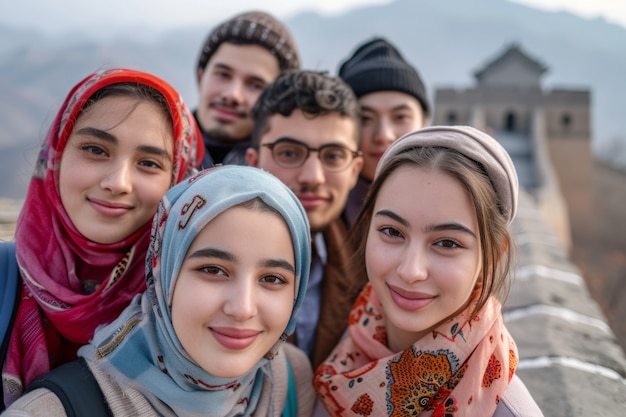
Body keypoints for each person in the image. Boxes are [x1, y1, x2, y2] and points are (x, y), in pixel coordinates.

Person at [3, 165, 315, 417]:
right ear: (164, 275)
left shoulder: (289, 378)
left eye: (272, 279)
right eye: (213, 270)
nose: (243, 307)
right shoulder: (52, 410)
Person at [1, 68, 204, 408]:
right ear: (57, 155)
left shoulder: (188, 305)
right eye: (96, 150)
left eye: (149, 163)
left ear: (178, 179)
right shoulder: (5, 280)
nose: (118, 182)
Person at [313, 126, 544, 416]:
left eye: (446, 242)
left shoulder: (506, 410)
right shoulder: (348, 350)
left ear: (493, 254)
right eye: (392, 231)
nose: (411, 271)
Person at [246, 70, 366, 369]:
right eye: (289, 152)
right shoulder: (199, 262)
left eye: (334, 156)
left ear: (355, 170)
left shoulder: (374, 274)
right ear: (252, 162)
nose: (313, 177)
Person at [337, 37, 430, 226]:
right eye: (365, 119)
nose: (383, 135)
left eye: (400, 117)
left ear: (424, 123)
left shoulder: (450, 204)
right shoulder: (318, 221)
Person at [194, 10, 301, 168]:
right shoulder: (155, 148)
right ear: (201, 77)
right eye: (223, 75)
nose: (232, 95)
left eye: (255, 85)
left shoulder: (290, 174)